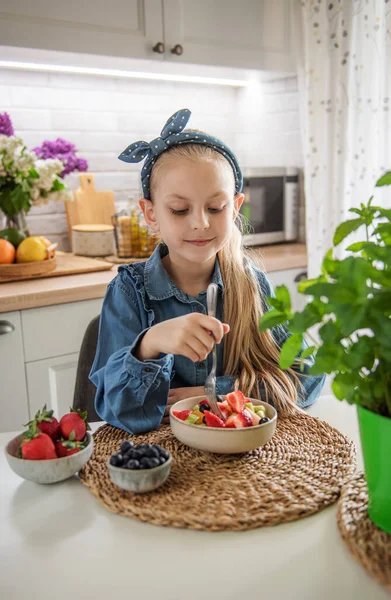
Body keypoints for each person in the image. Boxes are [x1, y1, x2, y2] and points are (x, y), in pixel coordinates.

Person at [90, 108, 325, 434]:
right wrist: (151, 343)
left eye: (215, 208)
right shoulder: (129, 291)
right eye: (179, 209)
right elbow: (116, 409)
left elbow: (308, 377)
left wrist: (217, 394)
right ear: (151, 213)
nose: (200, 222)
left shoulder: (251, 284)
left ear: (235, 208)